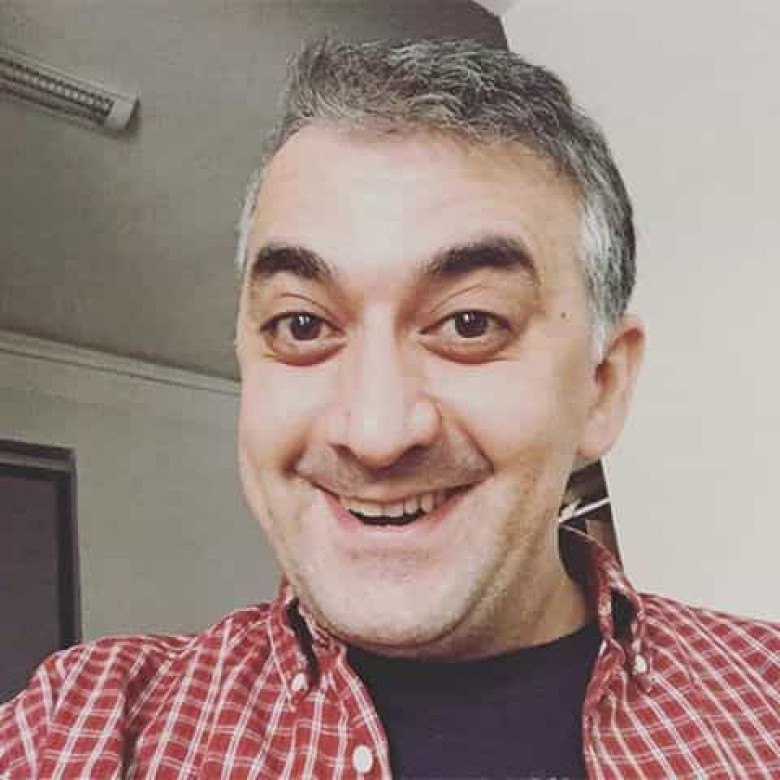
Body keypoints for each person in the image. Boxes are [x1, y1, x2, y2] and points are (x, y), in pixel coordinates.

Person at [1, 36, 779, 780]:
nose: (375, 434)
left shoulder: (765, 700)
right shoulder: (77, 724)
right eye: (302, 325)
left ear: (600, 387)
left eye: (470, 322)